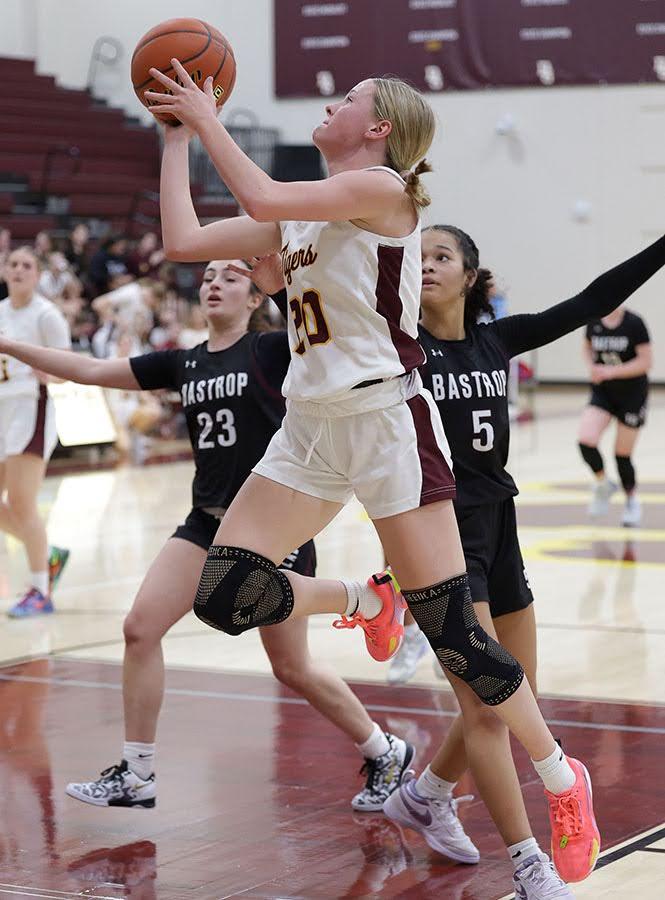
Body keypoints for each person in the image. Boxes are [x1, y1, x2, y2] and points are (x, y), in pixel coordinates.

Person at [143, 63, 600, 884]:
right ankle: (367, 600)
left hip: (389, 421)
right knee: (223, 595)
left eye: (347, 97)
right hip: (310, 430)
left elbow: (265, 197)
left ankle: (563, 777)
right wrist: (176, 139)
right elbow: (183, 240)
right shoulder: (295, 218)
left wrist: (210, 120)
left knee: (458, 637)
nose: (330, 102)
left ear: (379, 126)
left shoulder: (386, 189)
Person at [0, 257, 414, 811]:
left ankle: (383, 745)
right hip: (205, 523)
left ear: (252, 298)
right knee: (140, 628)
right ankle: (138, 773)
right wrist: (8, 345)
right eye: (209, 276)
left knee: (292, 667)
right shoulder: (184, 362)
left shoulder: (271, 351)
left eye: (231, 277)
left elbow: (323, 325)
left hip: (272, 527)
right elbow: (88, 370)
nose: (216, 283)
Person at [379, 225, 665, 897]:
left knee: (513, 698)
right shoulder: (397, 350)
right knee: (486, 707)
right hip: (437, 533)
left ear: (472, 276)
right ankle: (528, 862)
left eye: (441, 256)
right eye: (419, 258)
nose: (426, 267)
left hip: (497, 525)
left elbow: (595, 297)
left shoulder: (495, 341)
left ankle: (426, 795)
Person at [0, 247, 71, 617]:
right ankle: (48, 553)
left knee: (23, 502)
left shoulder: (46, 314)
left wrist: (52, 373)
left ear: (38, 274)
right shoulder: (0, 312)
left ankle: (40, 591)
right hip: (1, 409)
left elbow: (68, 365)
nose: (19, 270)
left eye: (27, 265)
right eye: (13, 264)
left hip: (31, 409)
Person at [578, 306, 651, 526]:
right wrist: (591, 366)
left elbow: (646, 362)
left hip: (632, 394)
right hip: (604, 393)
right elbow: (586, 347)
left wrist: (610, 371)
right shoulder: (594, 321)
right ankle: (603, 484)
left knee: (622, 455)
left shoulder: (634, 323)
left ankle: (631, 501)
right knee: (586, 440)